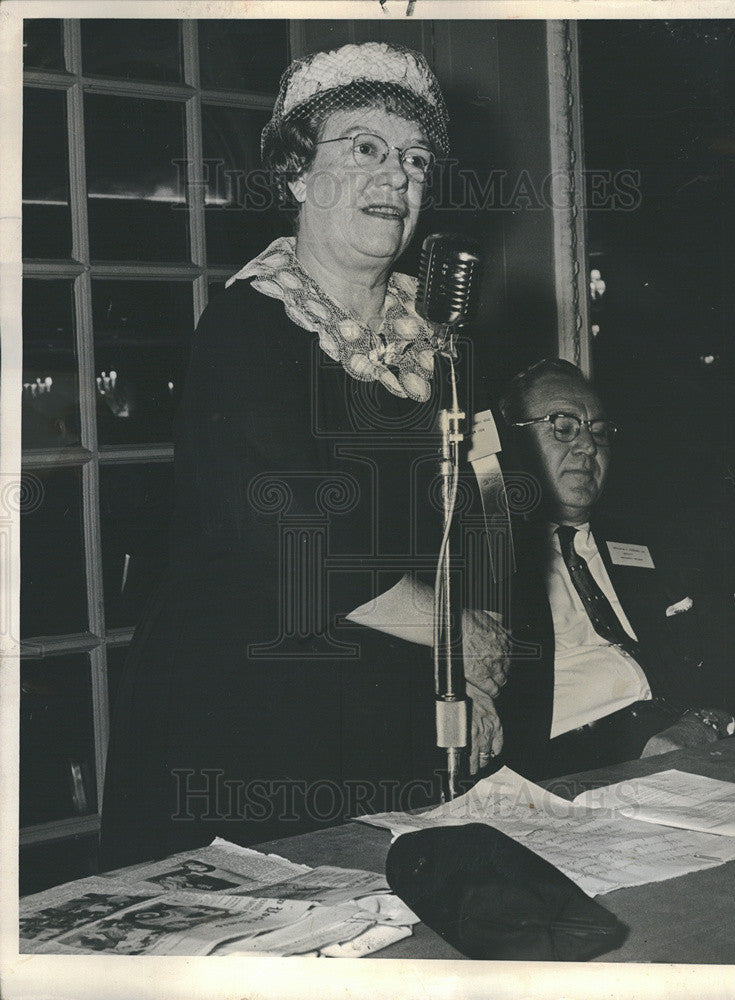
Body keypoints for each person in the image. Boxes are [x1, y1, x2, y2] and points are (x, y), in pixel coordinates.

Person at [99, 41, 507, 870]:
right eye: (364, 148)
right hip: (252, 727)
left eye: (415, 159)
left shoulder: (441, 347)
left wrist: (477, 671)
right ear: (295, 175)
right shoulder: (249, 330)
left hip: (398, 714)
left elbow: (478, 519)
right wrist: (456, 639)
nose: (396, 177)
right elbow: (297, 549)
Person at [487, 358, 735, 780]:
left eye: (599, 431)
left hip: (683, 753)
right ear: (511, 442)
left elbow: (731, 655)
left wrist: (701, 723)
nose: (588, 446)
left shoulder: (654, 544)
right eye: (563, 426)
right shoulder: (485, 562)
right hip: (568, 772)